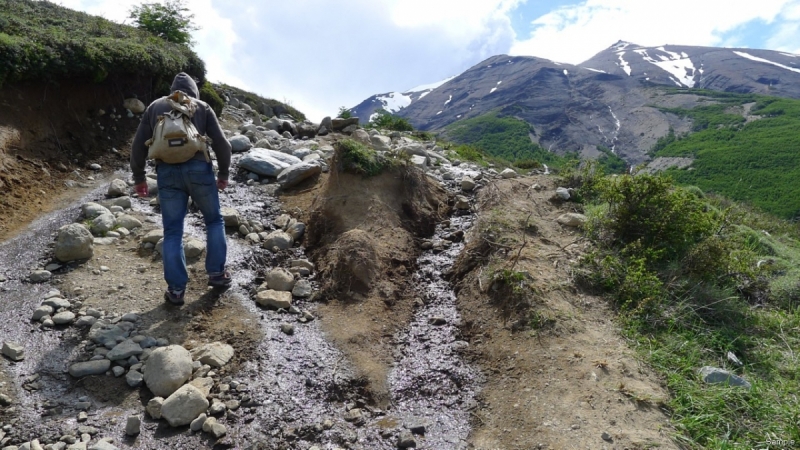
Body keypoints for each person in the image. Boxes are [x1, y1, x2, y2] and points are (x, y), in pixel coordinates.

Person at [130, 72, 233, 305]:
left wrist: (139, 178)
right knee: (214, 221)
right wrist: (224, 174)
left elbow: (138, 145)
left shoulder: (155, 107)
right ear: (194, 91)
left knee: (173, 231)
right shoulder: (202, 106)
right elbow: (222, 144)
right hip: (199, 170)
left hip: (167, 173)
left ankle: (176, 290)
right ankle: (217, 274)